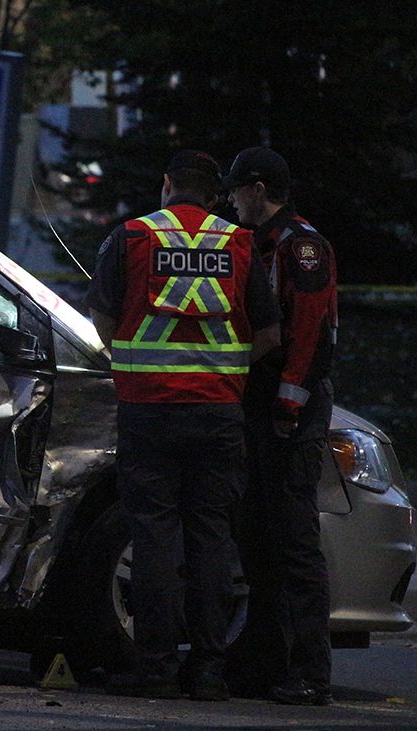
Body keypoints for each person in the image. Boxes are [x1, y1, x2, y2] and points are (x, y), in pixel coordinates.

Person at [86, 150, 281, 700]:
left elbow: (102, 318)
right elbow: (269, 333)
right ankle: (211, 671)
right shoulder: (239, 242)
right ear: (215, 194)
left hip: (149, 411)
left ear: (167, 184)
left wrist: (134, 362)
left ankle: (156, 669)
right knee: (211, 540)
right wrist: (225, 369)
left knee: (154, 541)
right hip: (219, 413)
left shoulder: (131, 238)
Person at [222, 147, 338, 706]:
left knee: (294, 539)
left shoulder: (302, 247)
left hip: (290, 403)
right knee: (256, 534)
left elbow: (311, 335)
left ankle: (311, 668)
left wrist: (289, 406)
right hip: (260, 398)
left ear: (260, 189)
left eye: (238, 189)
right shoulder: (254, 242)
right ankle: (264, 658)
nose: (231, 199)